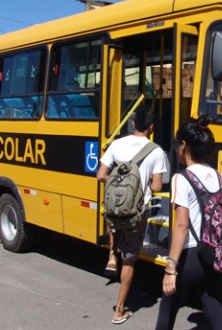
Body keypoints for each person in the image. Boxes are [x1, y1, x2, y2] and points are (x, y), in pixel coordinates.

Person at [155, 115, 222, 330]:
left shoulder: (182, 178)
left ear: (184, 145)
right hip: (214, 250)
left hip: (191, 255)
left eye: (177, 145)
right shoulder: (218, 176)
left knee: (168, 307)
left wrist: (171, 268)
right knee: (213, 304)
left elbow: (181, 225)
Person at [96, 106, 168, 325]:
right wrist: (136, 186)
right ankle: (119, 310)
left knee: (115, 224)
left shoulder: (117, 144)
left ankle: (110, 256)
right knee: (129, 260)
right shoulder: (156, 151)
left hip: (113, 206)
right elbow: (156, 186)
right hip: (136, 211)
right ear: (152, 128)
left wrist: (120, 185)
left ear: (134, 124)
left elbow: (101, 175)